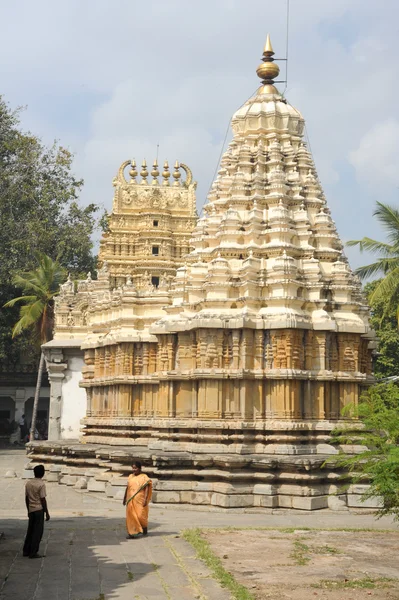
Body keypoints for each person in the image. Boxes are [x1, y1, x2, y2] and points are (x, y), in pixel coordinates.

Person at [23, 464, 50, 558]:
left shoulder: (28, 483)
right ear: (43, 473)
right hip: (39, 509)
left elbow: (26, 498)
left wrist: (28, 509)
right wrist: (47, 512)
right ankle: (33, 552)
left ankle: (26, 550)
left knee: (30, 530)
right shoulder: (41, 484)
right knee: (37, 532)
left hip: (31, 509)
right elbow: (43, 499)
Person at [123, 461, 152, 539]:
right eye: (133, 468)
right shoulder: (130, 477)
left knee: (140, 516)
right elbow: (127, 488)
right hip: (130, 500)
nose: (134, 470)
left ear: (139, 468)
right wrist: (124, 498)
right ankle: (132, 532)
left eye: (135, 468)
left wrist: (146, 499)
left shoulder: (144, 477)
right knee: (131, 516)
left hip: (140, 500)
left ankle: (144, 528)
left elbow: (146, 488)